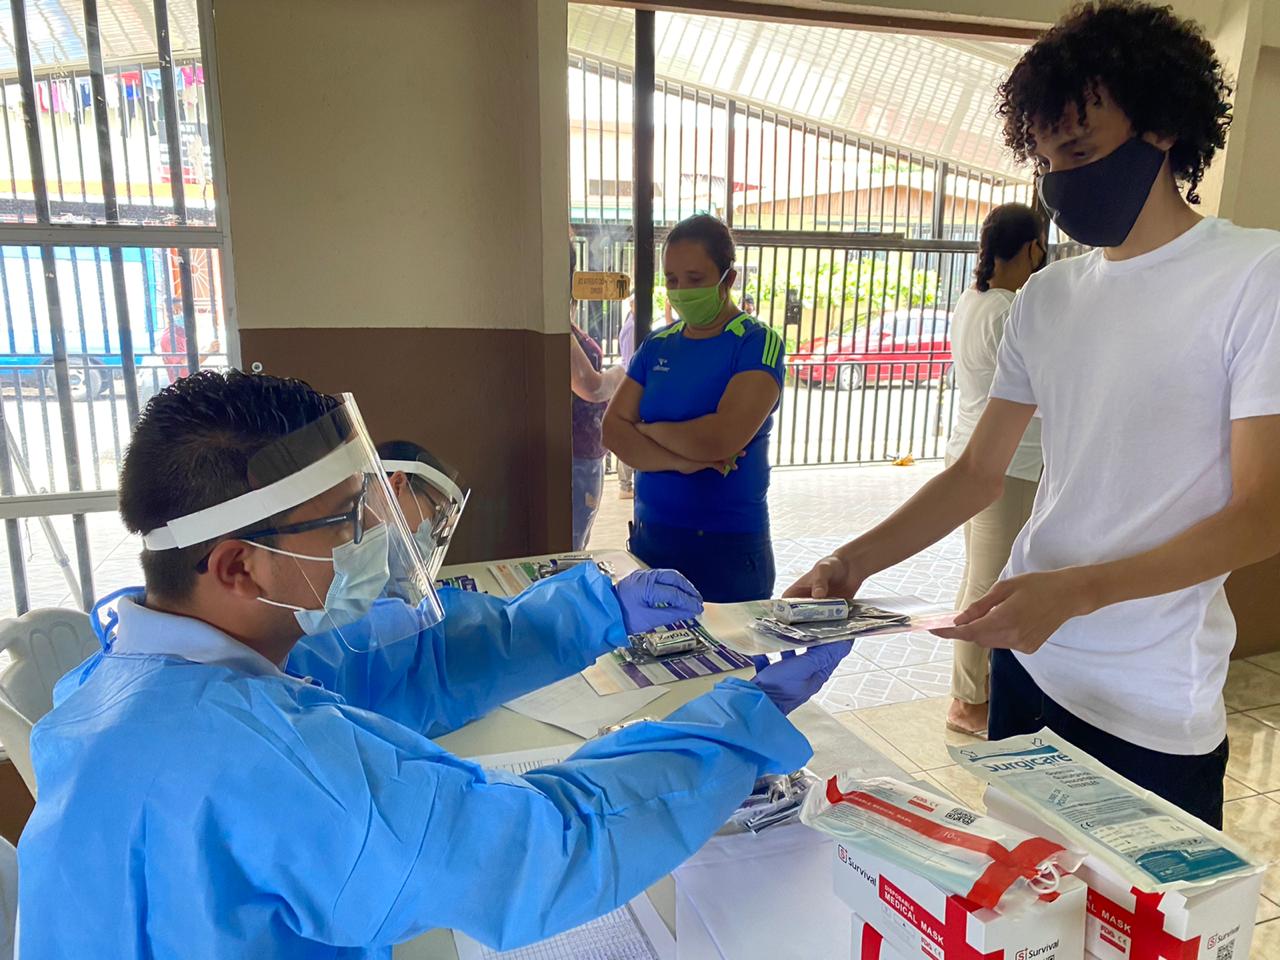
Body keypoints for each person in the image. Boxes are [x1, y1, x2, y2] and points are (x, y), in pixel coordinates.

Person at [19, 369, 848, 959]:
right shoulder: (262, 758)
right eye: (342, 524)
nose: (368, 544)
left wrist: (595, 610)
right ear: (239, 565)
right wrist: (737, 725)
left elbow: (408, 670)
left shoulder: (115, 685)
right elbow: (538, 854)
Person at [786, 0, 1280, 829]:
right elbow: (978, 473)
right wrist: (850, 562)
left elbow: (1262, 515)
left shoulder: (1254, 277)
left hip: (1150, 700)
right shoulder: (1048, 297)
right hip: (1031, 665)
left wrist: (1081, 591)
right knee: (1026, 898)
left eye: (1079, 150)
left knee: (1133, 909)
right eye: (1047, 160)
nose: (1061, 181)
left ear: (1162, 127)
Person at [604, 215, 786, 603]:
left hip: (728, 550)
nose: (681, 290)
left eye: (695, 278)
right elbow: (614, 431)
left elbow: (721, 438)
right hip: (653, 541)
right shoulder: (656, 345)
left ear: (728, 279)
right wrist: (683, 462)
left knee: (729, 646)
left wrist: (647, 430)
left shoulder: (756, 343)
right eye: (672, 280)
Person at [943, 203, 1046, 737]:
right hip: (1007, 463)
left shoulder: (972, 301)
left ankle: (975, 691)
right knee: (986, 586)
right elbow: (1040, 393)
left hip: (972, 453)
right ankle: (967, 703)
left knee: (977, 578)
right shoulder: (1010, 311)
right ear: (1032, 249)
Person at [569, 247, 626, 548]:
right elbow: (590, 387)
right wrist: (618, 374)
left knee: (578, 538)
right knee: (573, 544)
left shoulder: (565, 324)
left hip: (585, 452)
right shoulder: (558, 328)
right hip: (576, 454)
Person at [617, 298, 637, 499]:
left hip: (629, 384)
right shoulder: (632, 329)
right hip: (631, 386)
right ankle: (625, 485)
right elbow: (632, 361)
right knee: (631, 433)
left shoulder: (630, 325)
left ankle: (625, 485)